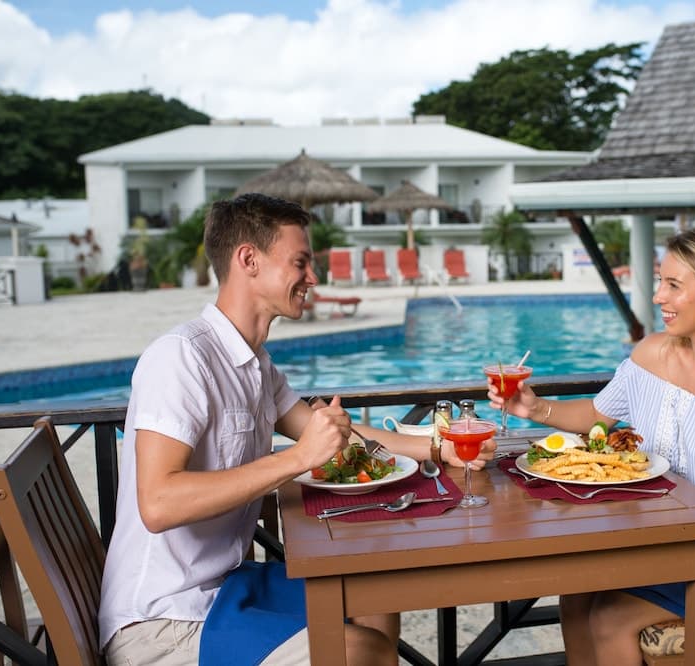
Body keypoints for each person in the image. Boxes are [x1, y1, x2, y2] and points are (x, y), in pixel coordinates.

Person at [99, 193, 495, 666]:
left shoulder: (254, 364)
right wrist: (299, 457)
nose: (313, 278)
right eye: (301, 263)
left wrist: (436, 446)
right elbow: (159, 504)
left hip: (226, 588)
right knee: (364, 651)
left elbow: (336, 436)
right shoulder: (181, 357)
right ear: (249, 260)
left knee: (375, 597)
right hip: (164, 621)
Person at [487, 223, 695, 666]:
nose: (658, 296)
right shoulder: (653, 353)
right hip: (672, 543)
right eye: (661, 281)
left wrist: (683, 546)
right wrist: (535, 408)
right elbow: (597, 416)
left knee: (610, 618)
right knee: (576, 594)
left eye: (673, 285)